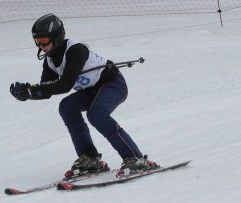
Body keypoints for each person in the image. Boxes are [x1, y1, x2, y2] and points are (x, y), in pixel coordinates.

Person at [10, 13, 158, 178]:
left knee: (96, 114)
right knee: (66, 107)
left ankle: (135, 158)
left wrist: (33, 90)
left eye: (44, 41)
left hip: (113, 84)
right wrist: (28, 92)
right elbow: (47, 88)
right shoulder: (50, 60)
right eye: (37, 41)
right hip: (91, 91)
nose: (41, 46)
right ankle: (89, 159)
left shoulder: (75, 51)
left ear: (57, 38)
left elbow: (65, 85)